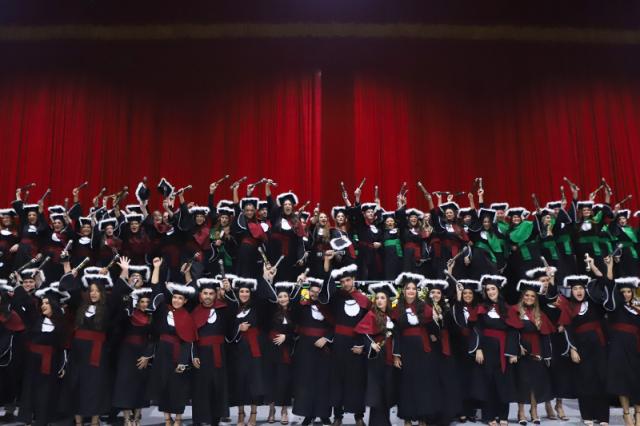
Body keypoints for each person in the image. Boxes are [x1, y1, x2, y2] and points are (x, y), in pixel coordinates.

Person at [146, 257, 197, 426]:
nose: (176, 300)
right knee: (164, 386)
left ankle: (178, 419)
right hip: (162, 354)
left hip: (178, 354)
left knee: (178, 387)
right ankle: (167, 418)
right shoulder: (163, 310)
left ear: (185, 301)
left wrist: (183, 361)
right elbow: (155, 287)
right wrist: (156, 268)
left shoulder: (187, 317)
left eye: (180, 298)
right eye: (175, 297)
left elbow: (188, 341)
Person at [392, 272, 441, 426]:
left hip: (423, 351)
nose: (411, 291)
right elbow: (396, 334)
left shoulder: (425, 307)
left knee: (423, 384)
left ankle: (422, 417)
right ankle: (407, 417)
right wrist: (396, 355)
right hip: (406, 350)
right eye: (408, 288)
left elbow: (434, 331)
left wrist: (436, 319)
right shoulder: (397, 308)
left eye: (414, 288)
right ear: (403, 291)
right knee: (406, 384)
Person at [17, 284, 70, 426]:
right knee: (30, 390)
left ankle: (42, 421)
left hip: (50, 362)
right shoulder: (36, 319)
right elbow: (26, 306)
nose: (43, 305)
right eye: (42, 303)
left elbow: (63, 347)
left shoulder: (61, 325)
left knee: (45, 393)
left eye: (47, 303)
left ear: (54, 305)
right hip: (32, 362)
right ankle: (28, 420)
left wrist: (62, 366)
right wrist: (21, 288)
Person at [190, 276, 233, 426]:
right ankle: (199, 421)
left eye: (211, 294)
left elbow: (234, 308)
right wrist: (194, 355)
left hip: (219, 354)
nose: (208, 296)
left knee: (217, 388)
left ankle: (215, 420)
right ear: (200, 295)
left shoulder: (223, 309)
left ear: (216, 295)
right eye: (205, 293)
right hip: (201, 355)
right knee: (200, 389)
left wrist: (229, 291)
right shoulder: (195, 312)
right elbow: (191, 337)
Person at [354, 281, 397, 426]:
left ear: (387, 300)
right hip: (377, 356)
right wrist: (371, 344)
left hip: (389, 357)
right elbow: (363, 332)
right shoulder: (371, 315)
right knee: (376, 391)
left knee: (387, 390)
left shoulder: (391, 316)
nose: (379, 300)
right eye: (377, 298)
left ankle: (385, 421)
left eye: (382, 298)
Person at [603, 275, 640, 426]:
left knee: (637, 381)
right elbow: (608, 286)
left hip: (636, 347)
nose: (626, 294)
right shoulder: (614, 307)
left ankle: (638, 413)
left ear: (633, 292)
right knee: (621, 381)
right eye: (623, 292)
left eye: (628, 291)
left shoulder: (637, 308)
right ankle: (626, 414)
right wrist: (609, 269)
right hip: (618, 347)